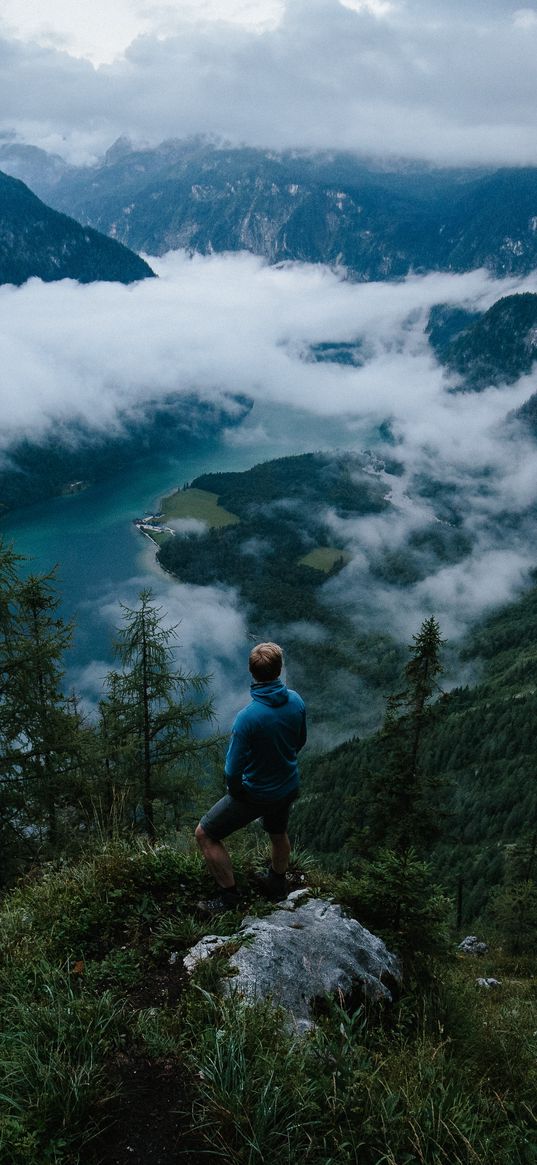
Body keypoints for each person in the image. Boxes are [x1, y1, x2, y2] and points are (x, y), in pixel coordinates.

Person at [195, 641, 307, 910]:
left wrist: (237, 792)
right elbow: (299, 742)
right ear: (279, 670)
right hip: (288, 785)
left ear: (251, 672)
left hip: (256, 792)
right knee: (278, 832)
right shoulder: (296, 701)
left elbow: (232, 770)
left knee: (205, 834)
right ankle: (276, 884)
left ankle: (230, 898)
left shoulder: (248, 718)